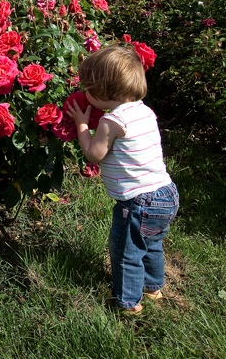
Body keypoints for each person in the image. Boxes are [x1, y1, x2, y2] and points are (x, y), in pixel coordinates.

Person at [65, 45, 179, 315]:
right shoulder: (145, 112)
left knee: (126, 251)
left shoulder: (112, 120)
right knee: (151, 244)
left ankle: (127, 302)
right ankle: (153, 287)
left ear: (104, 91)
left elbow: (94, 154)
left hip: (139, 201)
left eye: (88, 88)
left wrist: (82, 124)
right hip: (166, 193)